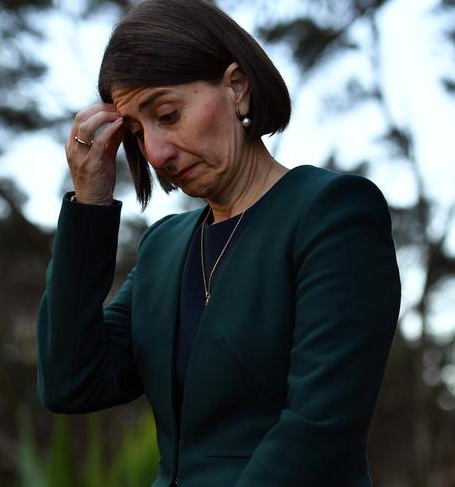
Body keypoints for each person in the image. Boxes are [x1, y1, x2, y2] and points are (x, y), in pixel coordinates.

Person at [36, 0, 402, 485]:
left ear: (237, 88)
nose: (156, 152)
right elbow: (71, 382)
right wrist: (90, 205)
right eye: (138, 131)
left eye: (168, 114)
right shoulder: (164, 247)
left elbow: (319, 432)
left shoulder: (331, 213)